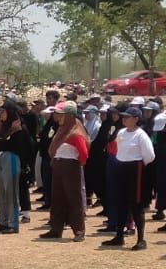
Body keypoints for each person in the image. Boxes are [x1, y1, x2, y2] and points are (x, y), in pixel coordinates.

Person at [39, 101, 91, 242]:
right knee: (57, 199)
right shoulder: (62, 130)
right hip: (58, 165)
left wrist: (75, 164)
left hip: (70, 166)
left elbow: (83, 154)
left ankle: (79, 230)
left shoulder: (75, 132)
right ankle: (56, 229)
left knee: (74, 199)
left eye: (62, 115)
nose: (58, 117)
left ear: (69, 116)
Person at [103, 106, 154, 249]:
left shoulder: (140, 135)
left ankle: (141, 239)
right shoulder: (121, 132)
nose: (124, 119)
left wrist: (138, 164)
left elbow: (149, 155)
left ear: (136, 119)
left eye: (127, 117)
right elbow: (117, 148)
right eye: (123, 116)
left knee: (136, 205)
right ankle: (119, 236)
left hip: (135, 168)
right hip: (121, 166)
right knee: (120, 203)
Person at [0, 102, 33, 234]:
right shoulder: (6, 128)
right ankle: (3, 221)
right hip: (2, 158)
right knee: (1, 192)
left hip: (12, 160)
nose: (0, 114)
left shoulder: (20, 129)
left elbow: (26, 149)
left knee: (11, 192)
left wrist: (25, 167)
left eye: (3, 112)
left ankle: (13, 223)